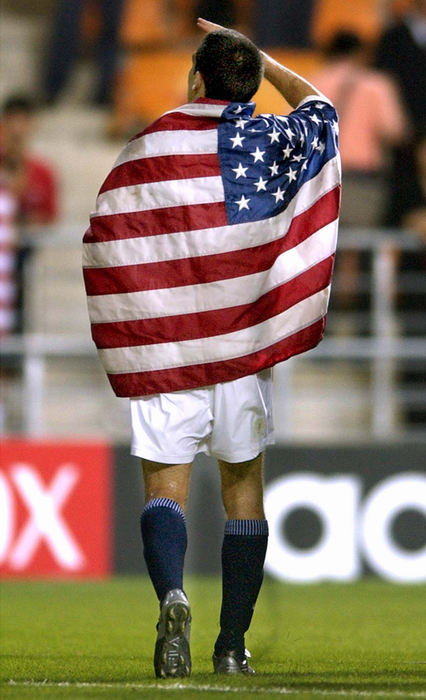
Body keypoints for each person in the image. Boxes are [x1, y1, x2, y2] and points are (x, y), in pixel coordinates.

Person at [82, 17, 341, 678]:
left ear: (195, 79)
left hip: (168, 351)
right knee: (243, 493)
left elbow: (110, 233)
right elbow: (323, 112)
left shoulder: (150, 144)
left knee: (163, 489)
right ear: (250, 85)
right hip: (237, 355)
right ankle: (231, 646)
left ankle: (172, 597)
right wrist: (267, 63)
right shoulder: (269, 140)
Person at [0, 95, 58, 332]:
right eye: (12, 122)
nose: (17, 130)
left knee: (19, 314)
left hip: (21, 257)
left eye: (23, 122)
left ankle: (13, 362)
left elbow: (48, 215)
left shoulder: (43, 172)